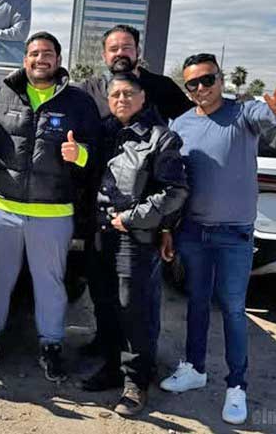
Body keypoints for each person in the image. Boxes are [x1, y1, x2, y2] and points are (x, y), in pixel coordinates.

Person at [159, 53, 276, 425]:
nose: (202, 88)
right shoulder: (181, 124)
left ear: (220, 79)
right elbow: (175, 182)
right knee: (197, 304)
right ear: (186, 90)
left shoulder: (244, 114)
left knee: (234, 310)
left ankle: (237, 386)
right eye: (193, 83)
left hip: (234, 234)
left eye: (208, 79)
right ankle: (195, 368)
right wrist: (168, 227)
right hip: (193, 232)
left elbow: (272, 116)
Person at [0, 31, 102, 383]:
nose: (40, 60)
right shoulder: (1, 95)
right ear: (24, 59)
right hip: (3, 210)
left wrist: (80, 154)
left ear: (58, 60)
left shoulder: (79, 102)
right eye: (34, 53)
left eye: (48, 54)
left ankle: (52, 346)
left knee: (50, 284)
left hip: (53, 213)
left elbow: (97, 153)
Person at [77, 24, 193, 360]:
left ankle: (141, 364)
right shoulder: (89, 90)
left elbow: (191, 136)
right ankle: (107, 347)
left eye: (126, 47)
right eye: (113, 48)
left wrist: (168, 223)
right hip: (99, 212)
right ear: (104, 55)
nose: (120, 53)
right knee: (103, 291)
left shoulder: (161, 89)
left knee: (139, 298)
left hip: (143, 215)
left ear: (138, 51)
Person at [84, 73, 188, 416]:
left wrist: (131, 218)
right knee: (107, 304)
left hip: (133, 236)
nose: (121, 99)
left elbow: (175, 191)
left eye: (129, 93)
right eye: (115, 94)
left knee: (134, 311)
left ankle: (136, 381)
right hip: (100, 232)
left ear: (143, 99)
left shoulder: (162, 138)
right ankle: (112, 368)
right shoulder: (104, 132)